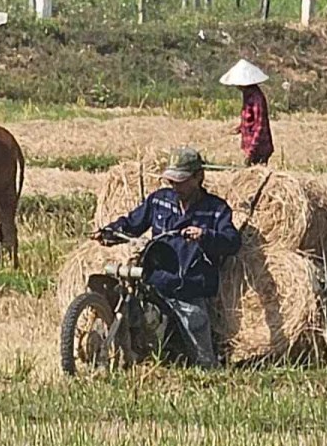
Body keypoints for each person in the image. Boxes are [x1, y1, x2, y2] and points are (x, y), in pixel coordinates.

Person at [97, 147, 241, 367]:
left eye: (181, 181)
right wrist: (109, 232)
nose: (175, 186)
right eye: (171, 181)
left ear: (198, 177)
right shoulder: (159, 201)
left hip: (190, 288)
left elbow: (232, 242)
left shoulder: (216, 210)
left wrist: (205, 236)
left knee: (203, 358)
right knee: (127, 308)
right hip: (154, 281)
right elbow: (132, 224)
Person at [221, 59, 274, 166]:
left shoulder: (256, 98)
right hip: (251, 145)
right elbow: (250, 119)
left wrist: (252, 150)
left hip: (259, 148)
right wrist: (240, 128)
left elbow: (260, 125)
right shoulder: (248, 95)